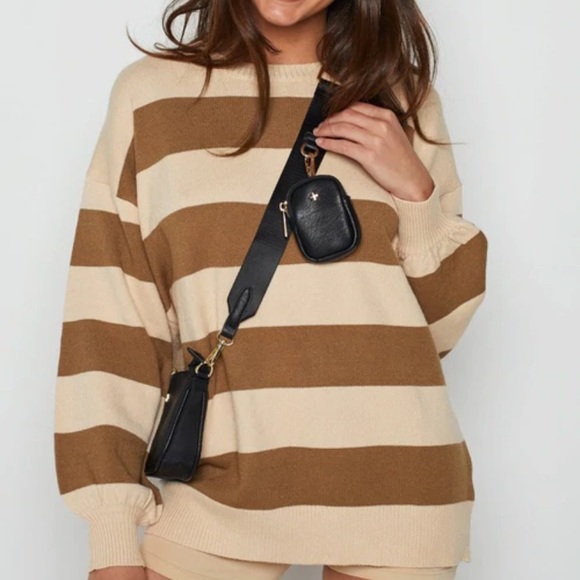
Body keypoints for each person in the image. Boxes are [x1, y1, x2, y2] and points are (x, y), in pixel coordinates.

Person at [53, 0, 488, 579]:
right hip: (219, 486)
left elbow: (438, 331)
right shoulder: (151, 97)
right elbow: (111, 320)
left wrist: (416, 194)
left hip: (400, 489)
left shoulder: (404, 100)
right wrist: (111, 532)